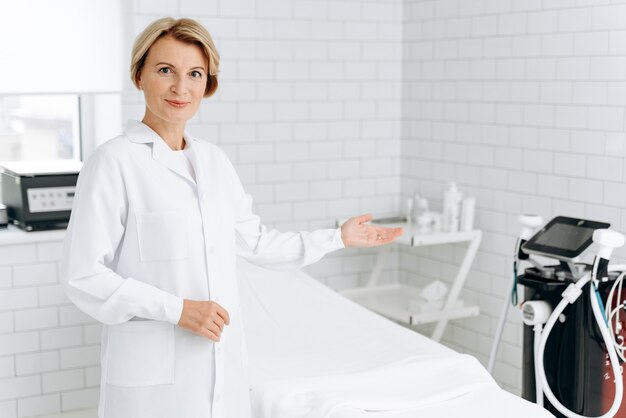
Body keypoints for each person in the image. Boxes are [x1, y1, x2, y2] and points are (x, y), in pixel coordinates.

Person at [61, 17, 403, 418]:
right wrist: (178, 309)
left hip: (222, 371)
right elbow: (83, 276)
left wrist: (337, 238)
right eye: (165, 70)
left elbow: (255, 242)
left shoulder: (213, 162)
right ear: (139, 76)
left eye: (195, 74)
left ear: (208, 85)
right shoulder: (113, 162)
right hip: (151, 383)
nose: (180, 87)